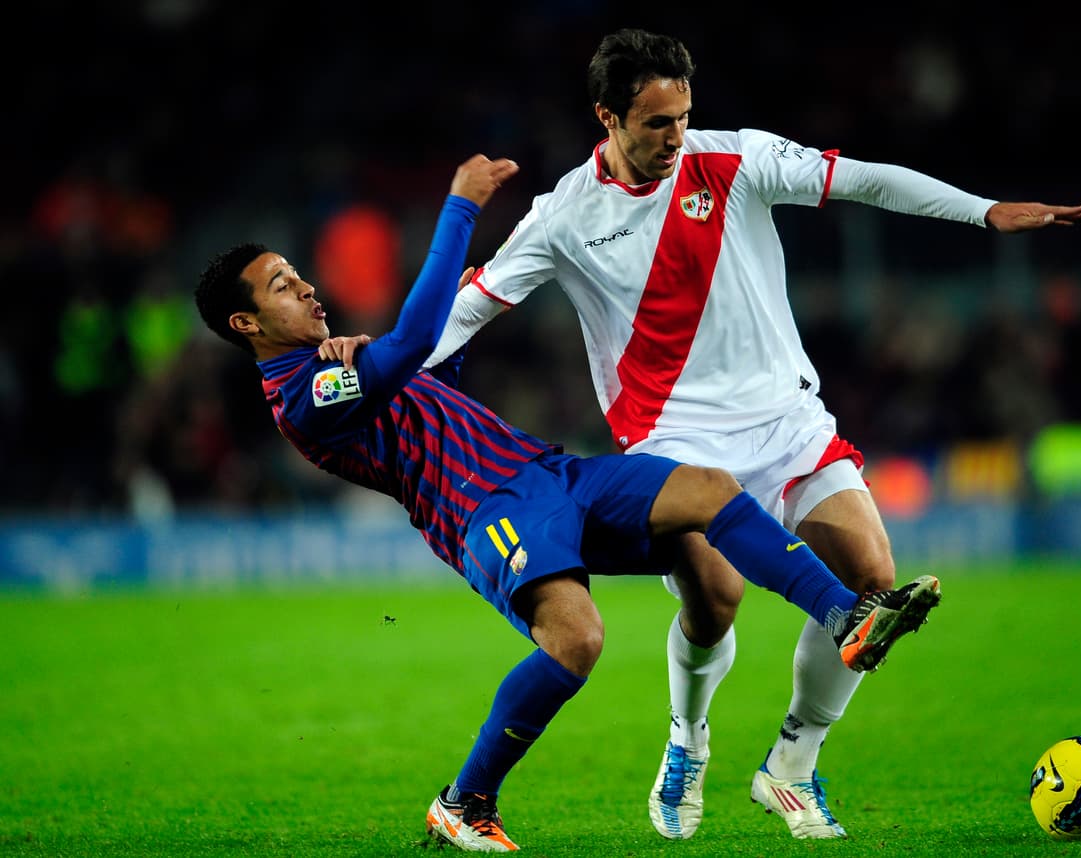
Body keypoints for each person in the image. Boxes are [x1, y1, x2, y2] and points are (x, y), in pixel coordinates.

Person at [420, 29, 1081, 841]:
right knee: (716, 601)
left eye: (684, 116)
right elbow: (467, 310)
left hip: (785, 420)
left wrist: (982, 211)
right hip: (674, 442)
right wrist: (370, 370)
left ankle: (792, 768)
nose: (677, 137)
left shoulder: (734, 160)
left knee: (875, 578)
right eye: (656, 122)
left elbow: (863, 181)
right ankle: (688, 739)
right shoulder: (565, 214)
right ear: (607, 116)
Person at [193, 153, 941, 853]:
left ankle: (845, 617)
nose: (308, 287)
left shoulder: (344, 362)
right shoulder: (304, 394)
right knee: (576, 640)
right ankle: (464, 802)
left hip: (551, 475)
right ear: (246, 325)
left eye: (298, 275)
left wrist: (531, 263)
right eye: (284, 286)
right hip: (484, 512)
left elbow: (442, 340)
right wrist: (459, 208)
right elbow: (419, 336)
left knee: (711, 497)